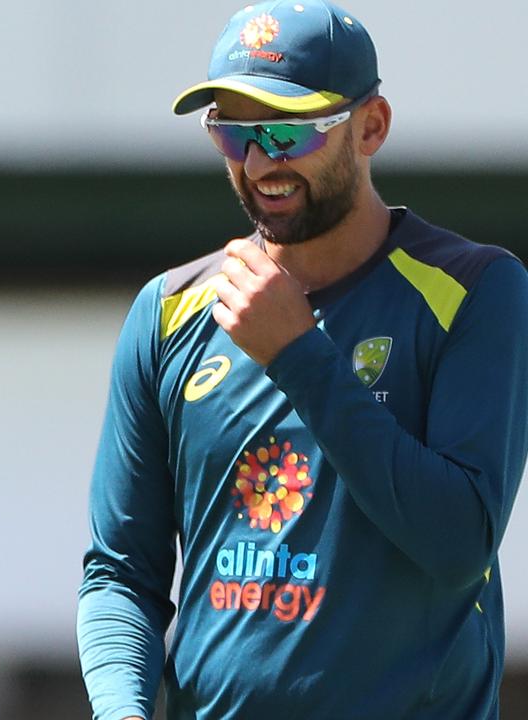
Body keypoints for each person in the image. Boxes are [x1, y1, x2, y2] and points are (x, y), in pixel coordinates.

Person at [76, 2, 528, 718]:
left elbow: (457, 542)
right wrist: (120, 709)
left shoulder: (475, 290)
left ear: (371, 126)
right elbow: (119, 573)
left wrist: (299, 354)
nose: (259, 163)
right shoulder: (167, 312)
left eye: (286, 131)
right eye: (232, 131)